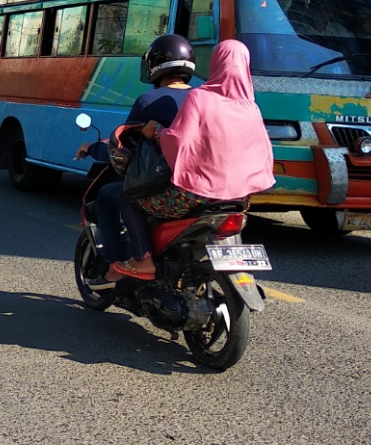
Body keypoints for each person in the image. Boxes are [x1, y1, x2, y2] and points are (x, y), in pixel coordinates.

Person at [110, 39, 275, 281]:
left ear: (215, 63)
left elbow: (178, 141)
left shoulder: (200, 98)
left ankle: (143, 259)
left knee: (128, 197)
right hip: (239, 198)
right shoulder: (251, 107)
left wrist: (155, 132)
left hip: (196, 194)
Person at [77, 34, 196, 280]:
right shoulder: (204, 98)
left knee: (111, 194)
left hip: (171, 186)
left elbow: (123, 149)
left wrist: (91, 149)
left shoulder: (149, 100)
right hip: (212, 187)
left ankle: (121, 262)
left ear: (154, 66)